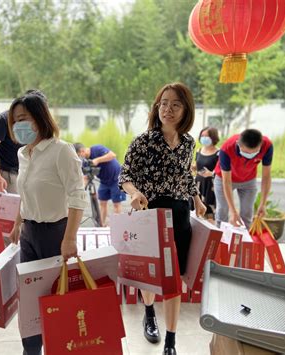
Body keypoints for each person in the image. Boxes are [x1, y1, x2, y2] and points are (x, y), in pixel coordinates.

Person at [119, 82, 206, 355]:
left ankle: (171, 341)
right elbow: (125, 176)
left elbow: (185, 175)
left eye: (175, 104)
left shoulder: (188, 142)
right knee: (151, 278)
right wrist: (133, 193)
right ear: (157, 107)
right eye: (163, 103)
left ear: (185, 110)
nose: (167, 109)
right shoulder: (143, 142)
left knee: (174, 280)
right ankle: (148, 311)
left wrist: (197, 198)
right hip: (150, 215)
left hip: (179, 215)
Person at [7, 89, 87, 355]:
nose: (19, 125)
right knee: (29, 301)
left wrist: (70, 238)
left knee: (56, 299)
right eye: (15, 119)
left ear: (40, 118)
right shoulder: (23, 154)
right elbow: (26, 192)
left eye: (24, 118)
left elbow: (77, 195)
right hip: (29, 234)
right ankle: (30, 351)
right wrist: (18, 222)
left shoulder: (61, 151)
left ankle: (60, 347)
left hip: (56, 234)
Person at [214, 128, 273, 227]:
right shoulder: (227, 148)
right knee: (222, 210)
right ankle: (219, 239)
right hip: (224, 178)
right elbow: (227, 181)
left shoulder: (267, 146)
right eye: (246, 152)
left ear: (261, 145)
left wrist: (263, 204)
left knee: (247, 213)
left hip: (248, 180)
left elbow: (266, 177)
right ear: (238, 144)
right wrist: (233, 211)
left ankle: (244, 241)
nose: (249, 156)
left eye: (254, 152)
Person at [74, 143, 126, 226]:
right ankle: (101, 226)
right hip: (104, 181)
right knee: (102, 203)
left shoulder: (97, 149)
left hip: (116, 179)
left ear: (82, 151)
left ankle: (117, 226)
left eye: (79, 155)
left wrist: (97, 160)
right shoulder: (85, 162)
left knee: (116, 204)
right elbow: (86, 177)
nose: (80, 157)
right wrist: (81, 190)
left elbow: (112, 155)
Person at [0, 110, 23, 193]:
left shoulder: (35, 120)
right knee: (9, 204)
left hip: (25, 171)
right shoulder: (2, 120)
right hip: (8, 173)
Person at [194, 127, 220, 219]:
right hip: (198, 185)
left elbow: (222, 171)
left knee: (209, 214)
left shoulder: (218, 153)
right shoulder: (199, 151)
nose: (204, 138)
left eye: (207, 136)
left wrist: (212, 173)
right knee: (196, 213)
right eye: (202, 135)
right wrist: (192, 167)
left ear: (213, 137)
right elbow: (197, 166)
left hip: (210, 186)